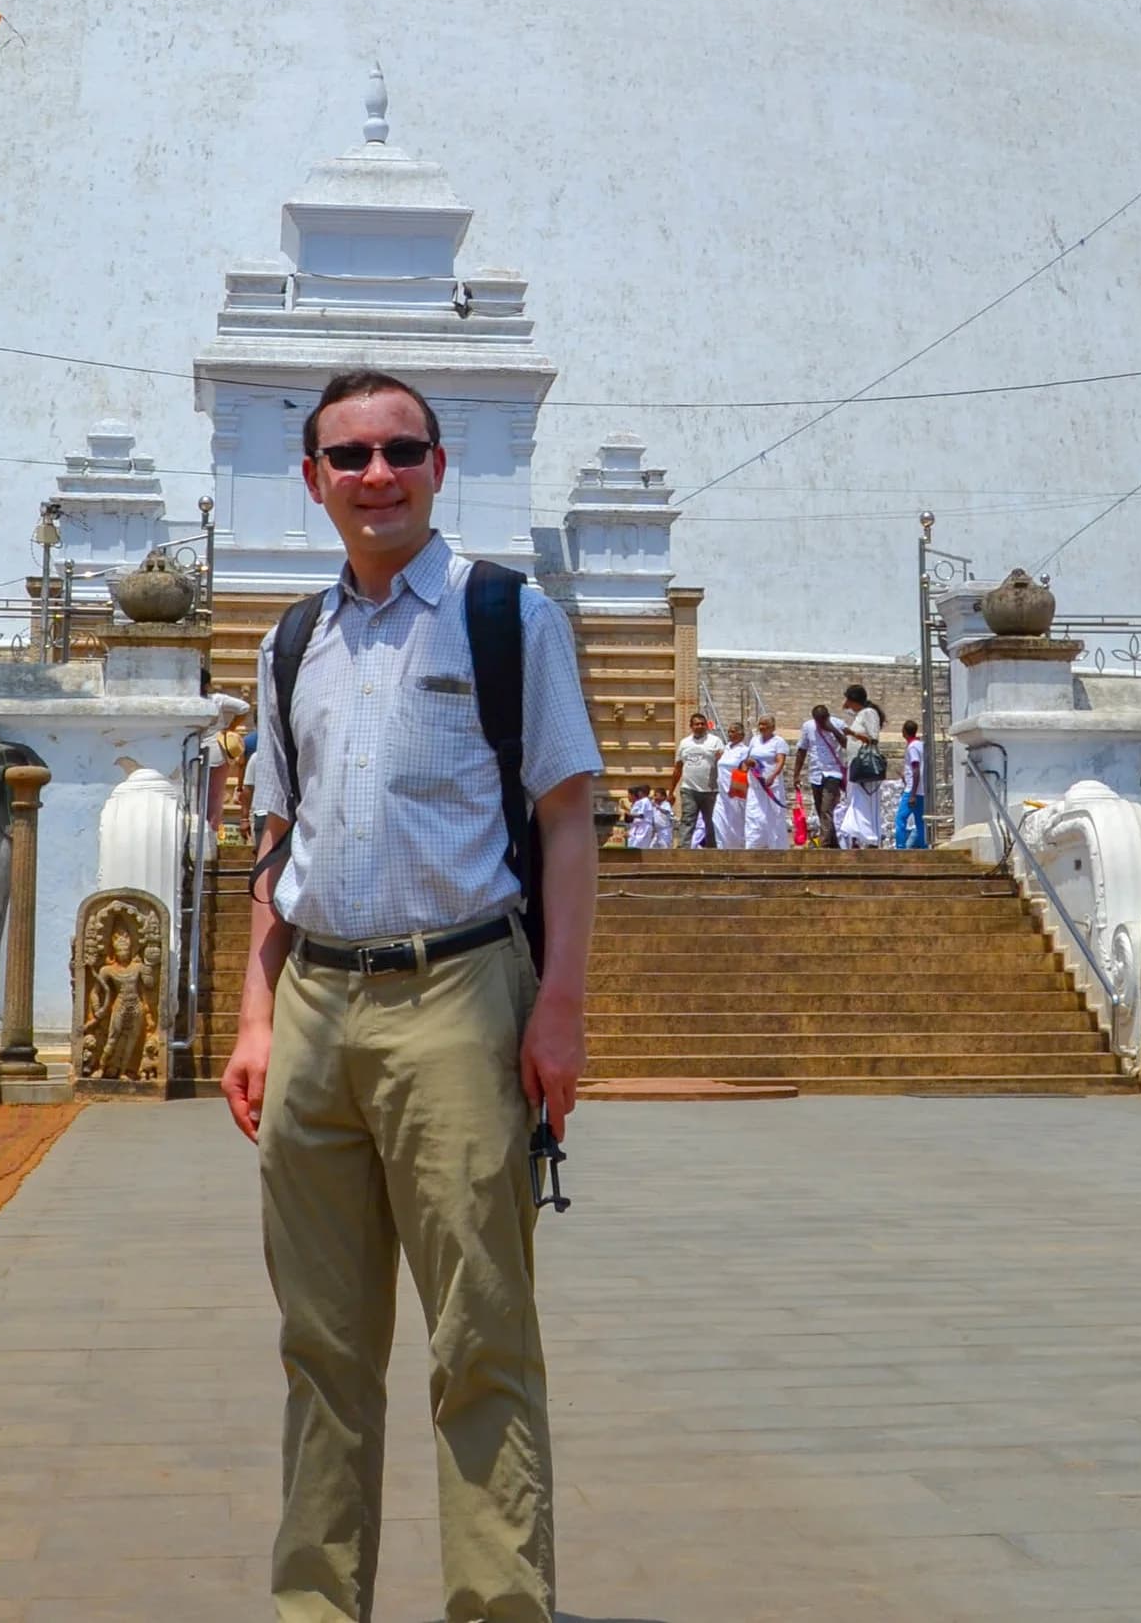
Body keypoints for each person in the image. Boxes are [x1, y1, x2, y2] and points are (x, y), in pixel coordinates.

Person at [221, 367, 600, 1623]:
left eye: (399, 450)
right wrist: (253, 1012)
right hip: (318, 1003)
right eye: (349, 456)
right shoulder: (294, 642)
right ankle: (316, 1607)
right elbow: (280, 842)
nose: (374, 475)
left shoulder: (506, 618)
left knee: (478, 1333)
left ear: (441, 466)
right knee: (321, 1348)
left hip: (460, 991)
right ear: (313, 478)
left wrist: (559, 1010)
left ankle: (498, 1606)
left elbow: (565, 819)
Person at [836, 685, 885, 851]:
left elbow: (873, 739)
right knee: (855, 800)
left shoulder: (869, 714)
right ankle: (858, 836)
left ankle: (872, 838)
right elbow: (849, 711)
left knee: (866, 801)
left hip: (866, 765)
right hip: (855, 764)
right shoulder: (859, 715)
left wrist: (853, 734)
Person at [670, 710, 724, 849]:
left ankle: (712, 849)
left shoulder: (715, 741)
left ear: (706, 725)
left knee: (711, 821)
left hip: (710, 790)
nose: (699, 726)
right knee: (688, 819)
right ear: (691, 726)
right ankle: (683, 849)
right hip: (689, 788)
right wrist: (671, 791)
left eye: (702, 724)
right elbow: (678, 768)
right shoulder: (684, 743)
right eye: (696, 724)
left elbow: (723, 764)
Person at [799, 704, 847, 847]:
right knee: (821, 810)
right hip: (816, 773)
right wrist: (796, 774)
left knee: (826, 809)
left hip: (833, 773)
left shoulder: (838, 724)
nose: (820, 723)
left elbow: (846, 744)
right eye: (817, 720)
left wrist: (832, 729)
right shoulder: (808, 727)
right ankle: (834, 844)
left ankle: (823, 845)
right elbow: (802, 750)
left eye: (822, 719)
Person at [744, 715, 792, 849]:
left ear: (772, 727)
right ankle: (754, 846)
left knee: (774, 817)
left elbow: (780, 761)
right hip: (755, 786)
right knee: (754, 816)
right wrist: (750, 763)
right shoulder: (754, 740)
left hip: (772, 787)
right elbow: (748, 758)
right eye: (760, 724)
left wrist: (772, 775)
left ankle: (776, 847)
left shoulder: (778, 742)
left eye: (765, 724)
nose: (761, 727)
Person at [714, 724, 748, 851]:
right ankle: (722, 849)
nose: (730, 734)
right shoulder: (725, 749)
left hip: (735, 793)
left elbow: (745, 771)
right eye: (729, 731)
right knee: (718, 820)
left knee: (735, 823)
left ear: (741, 735)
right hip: (721, 793)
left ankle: (738, 849)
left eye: (733, 732)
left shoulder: (744, 750)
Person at [895, 719, 927, 850]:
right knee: (920, 821)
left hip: (912, 791)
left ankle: (900, 847)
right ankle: (924, 847)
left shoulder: (912, 747)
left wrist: (912, 794)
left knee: (900, 819)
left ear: (904, 732)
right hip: (922, 790)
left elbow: (916, 769)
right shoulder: (921, 745)